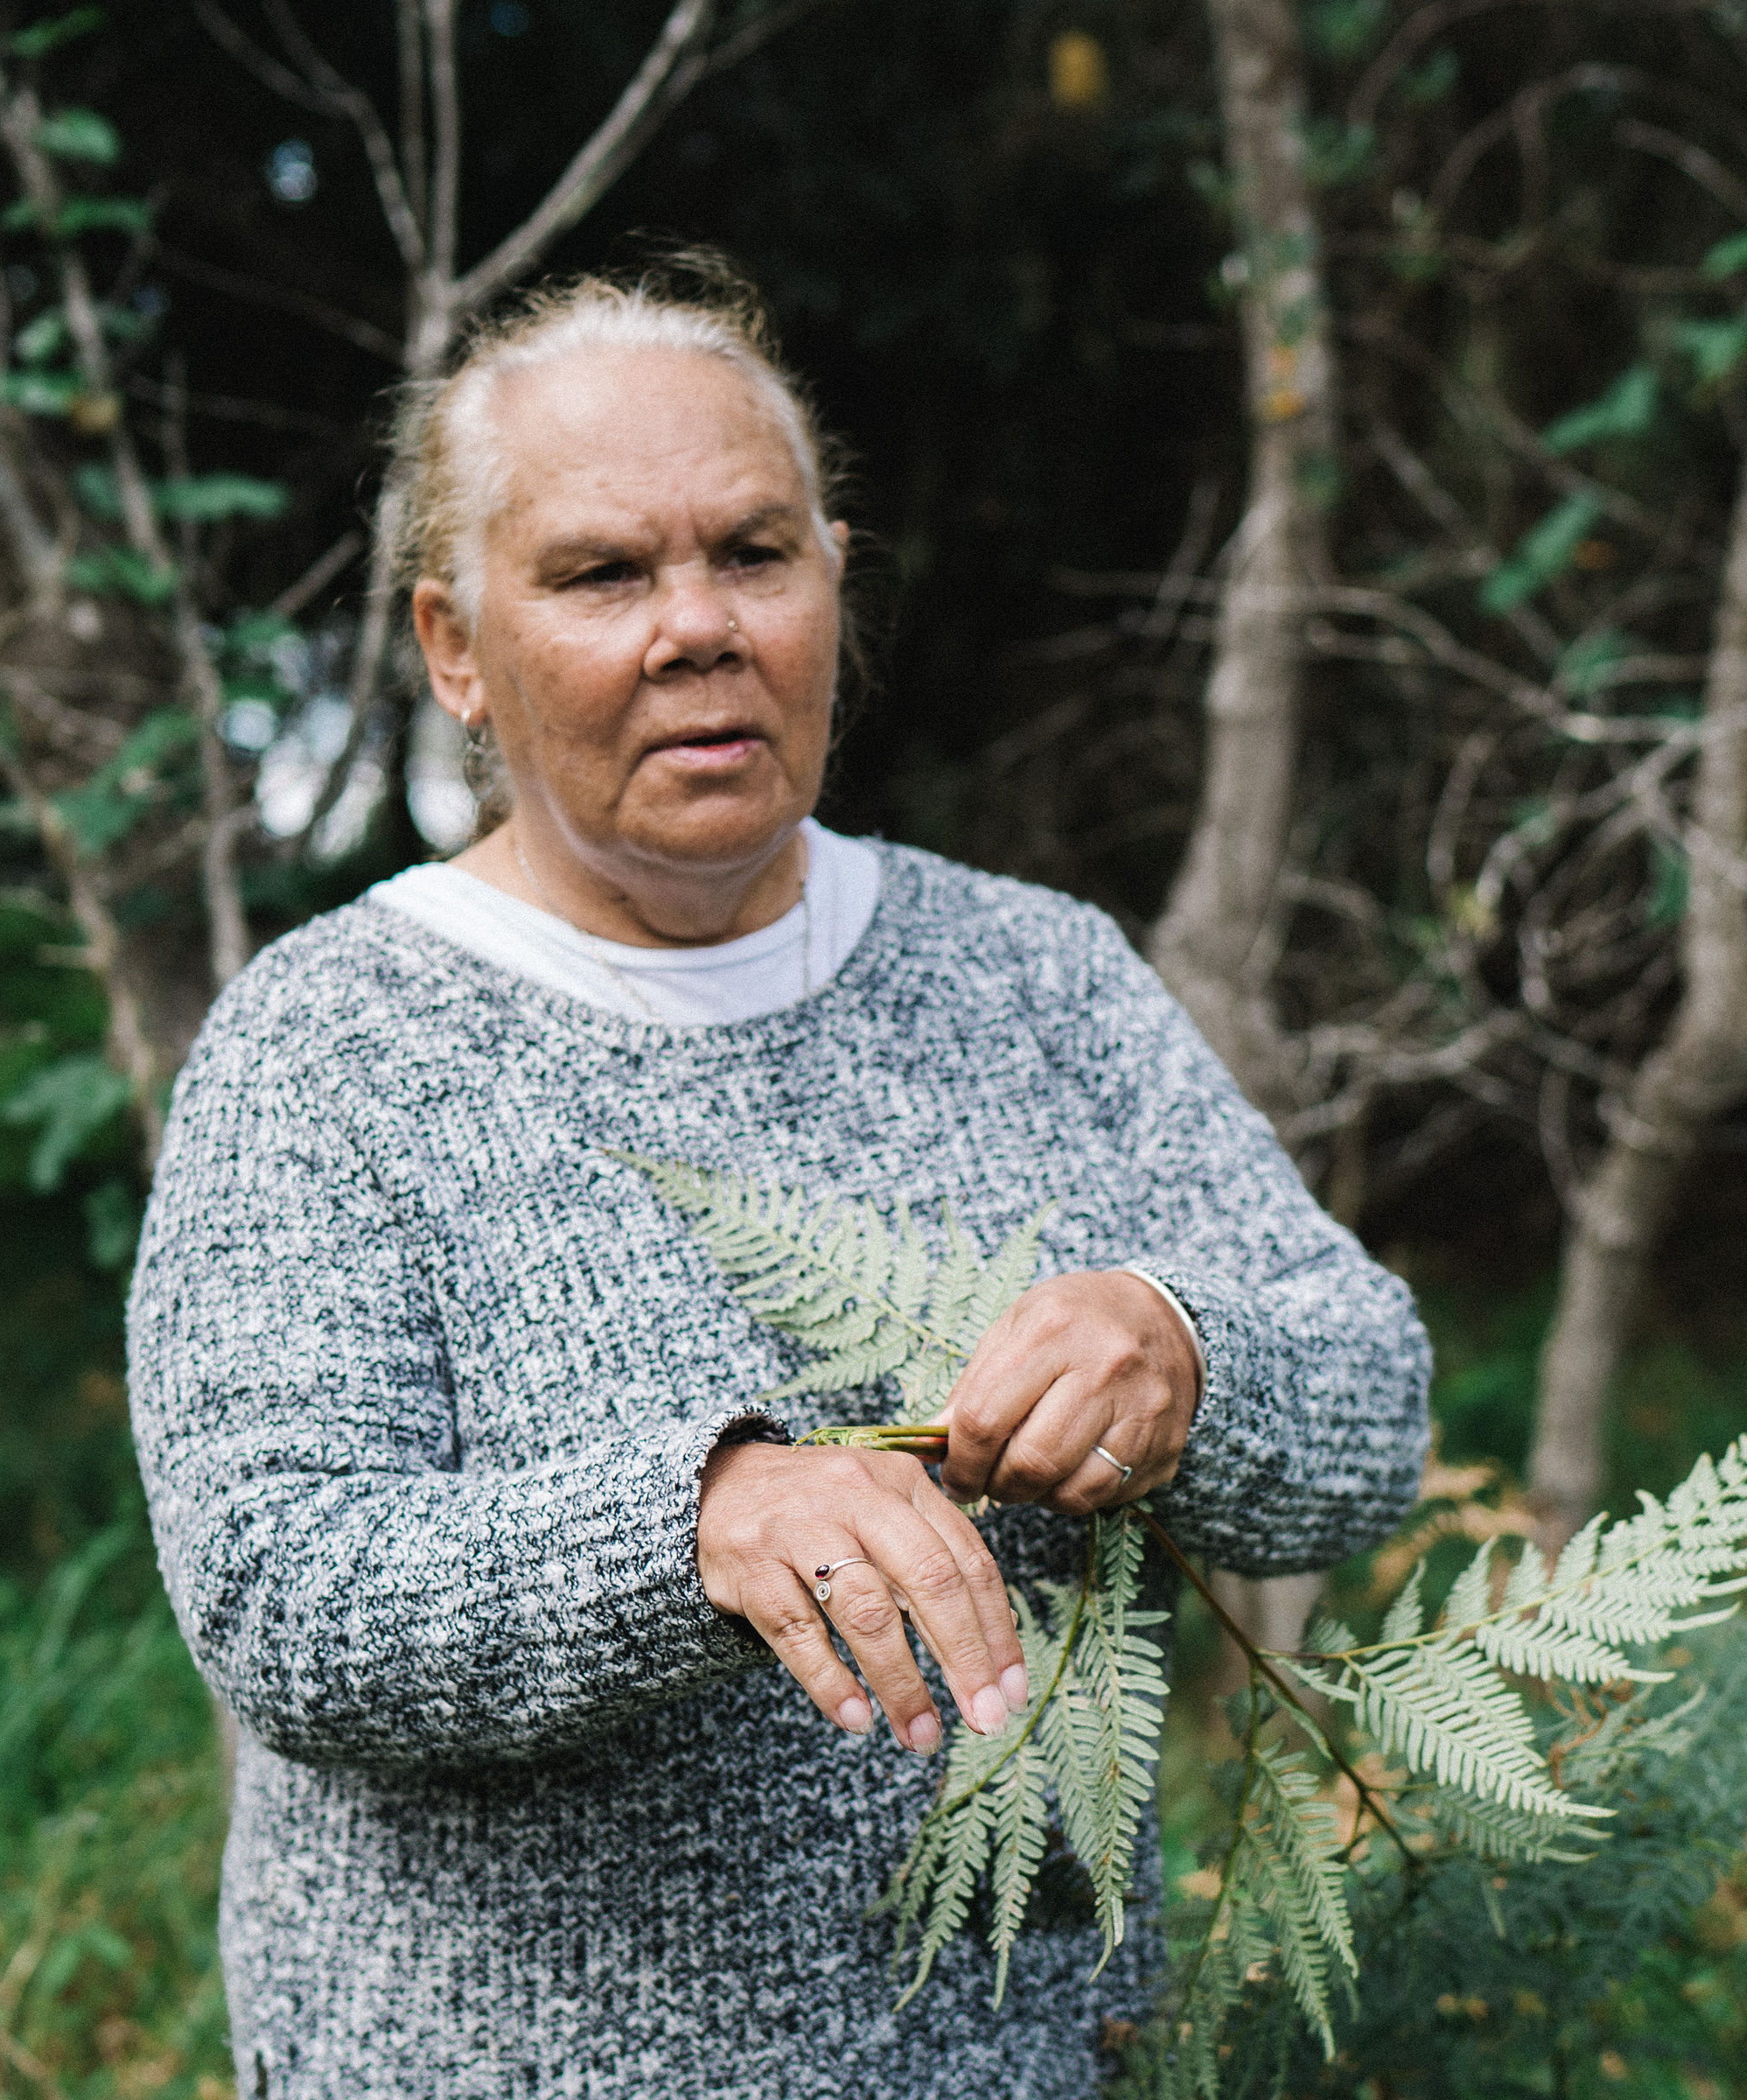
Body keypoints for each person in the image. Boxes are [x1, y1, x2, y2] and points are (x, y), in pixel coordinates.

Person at [127, 262, 1432, 2100]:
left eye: (754, 552)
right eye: (599, 574)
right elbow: (281, 1592)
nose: (698, 628)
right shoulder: (327, 1045)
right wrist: (699, 1522)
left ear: (834, 577)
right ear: (452, 648)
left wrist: (1185, 1354)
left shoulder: (1033, 978)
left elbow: (1370, 1408)